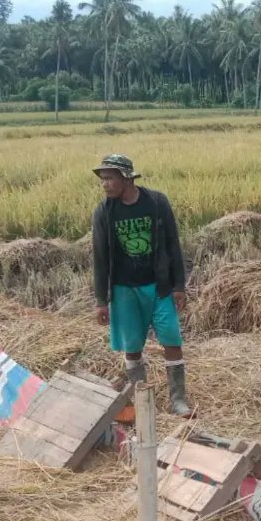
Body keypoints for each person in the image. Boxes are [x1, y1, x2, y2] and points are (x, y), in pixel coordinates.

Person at [91, 153, 192, 417]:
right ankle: (142, 401)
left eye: (110, 178)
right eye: (103, 179)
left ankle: (178, 401)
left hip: (158, 287)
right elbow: (100, 258)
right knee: (132, 346)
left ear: (126, 178)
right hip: (124, 290)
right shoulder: (104, 212)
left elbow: (173, 244)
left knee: (172, 340)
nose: (105, 184)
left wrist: (179, 285)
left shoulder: (156, 203)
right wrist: (101, 300)